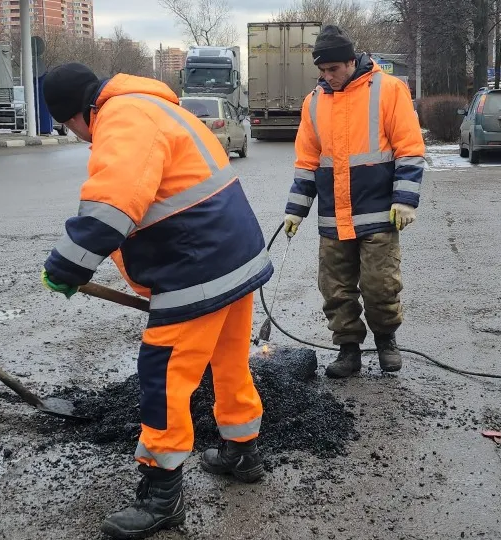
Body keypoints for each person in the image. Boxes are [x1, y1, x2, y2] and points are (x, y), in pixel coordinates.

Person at [40, 63, 274, 540]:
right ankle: (242, 451)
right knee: (229, 362)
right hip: (235, 256)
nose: (82, 138)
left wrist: (66, 266)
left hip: (196, 267)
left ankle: (161, 495)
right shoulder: (158, 105)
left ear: (81, 112)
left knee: (164, 378)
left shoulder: (121, 117)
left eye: (71, 127)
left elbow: (111, 207)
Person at [282, 25, 425, 378]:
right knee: (335, 289)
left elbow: (409, 149)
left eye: (333, 69)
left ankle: (386, 340)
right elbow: (307, 162)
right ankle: (348, 350)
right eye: (322, 72)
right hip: (334, 217)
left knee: (381, 286)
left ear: (351, 61)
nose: (327, 77)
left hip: (378, 213)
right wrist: (295, 211)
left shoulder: (389, 90)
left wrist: (405, 199)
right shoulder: (314, 102)